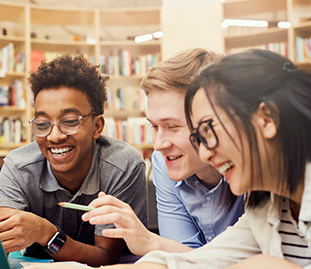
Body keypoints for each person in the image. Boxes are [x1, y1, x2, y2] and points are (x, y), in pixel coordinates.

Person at [13, 49, 311, 269]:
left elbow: (242, 266)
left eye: (208, 131)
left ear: (266, 120)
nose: (206, 152)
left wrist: (263, 268)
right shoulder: (265, 208)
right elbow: (197, 264)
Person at [81, 48, 244, 256]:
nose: (157, 145)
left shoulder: (251, 169)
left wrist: (151, 242)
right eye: (154, 126)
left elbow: (257, 261)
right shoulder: (163, 160)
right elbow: (184, 259)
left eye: (173, 127)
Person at [0, 54, 148, 267]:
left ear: (97, 126)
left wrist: (45, 232)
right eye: (42, 123)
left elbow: (105, 258)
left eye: (69, 121)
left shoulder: (123, 166)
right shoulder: (18, 166)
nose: (55, 136)